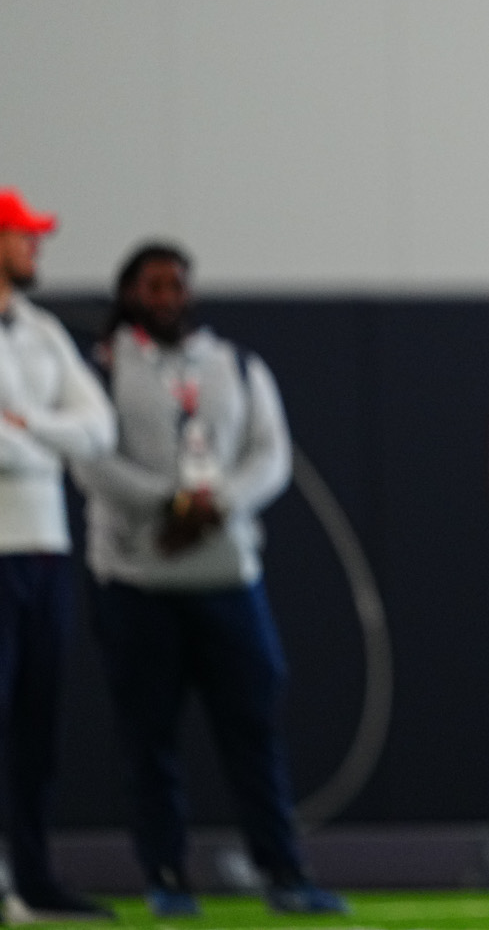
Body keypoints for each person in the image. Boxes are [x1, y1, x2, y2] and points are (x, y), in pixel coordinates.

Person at [71, 243, 347, 917]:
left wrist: (216, 504)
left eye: (176, 284)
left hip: (227, 576)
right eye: (153, 284)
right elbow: (91, 458)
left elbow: (270, 454)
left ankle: (282, 869)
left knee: (253, 727)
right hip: (137, 580)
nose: (167, 296)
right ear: (130, 292)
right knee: (149, 738)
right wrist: (167, 502)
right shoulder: (103, 370)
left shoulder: (235, 364)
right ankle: (166, 874)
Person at [0, 188, 116, 921]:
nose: (36, 247)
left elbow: (98, 428)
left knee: (35, 726)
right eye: (24, 235)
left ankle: (34, 879)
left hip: (43, 549)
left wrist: (30, 427)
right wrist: (45, 445)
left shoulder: (40, 332)